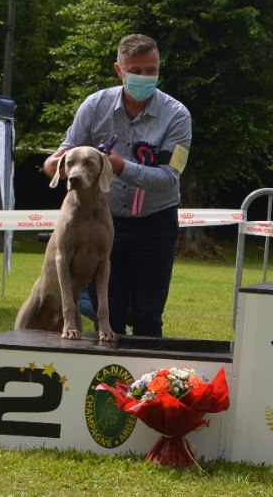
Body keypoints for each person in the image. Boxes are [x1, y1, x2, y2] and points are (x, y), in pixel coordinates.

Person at [44, 34, 191, 338]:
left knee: (148, 317)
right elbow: (67, 152)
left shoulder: (178, 115)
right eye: (137, 70)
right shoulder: (94, 106)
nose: (146, 77)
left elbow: (168, 178)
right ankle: (109, 383)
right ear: (119, 70)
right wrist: (53, 162)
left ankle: (147, 385)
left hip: (156, 224)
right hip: (104, 222)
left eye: (152, 70)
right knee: (107, 320)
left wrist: (121, 166)